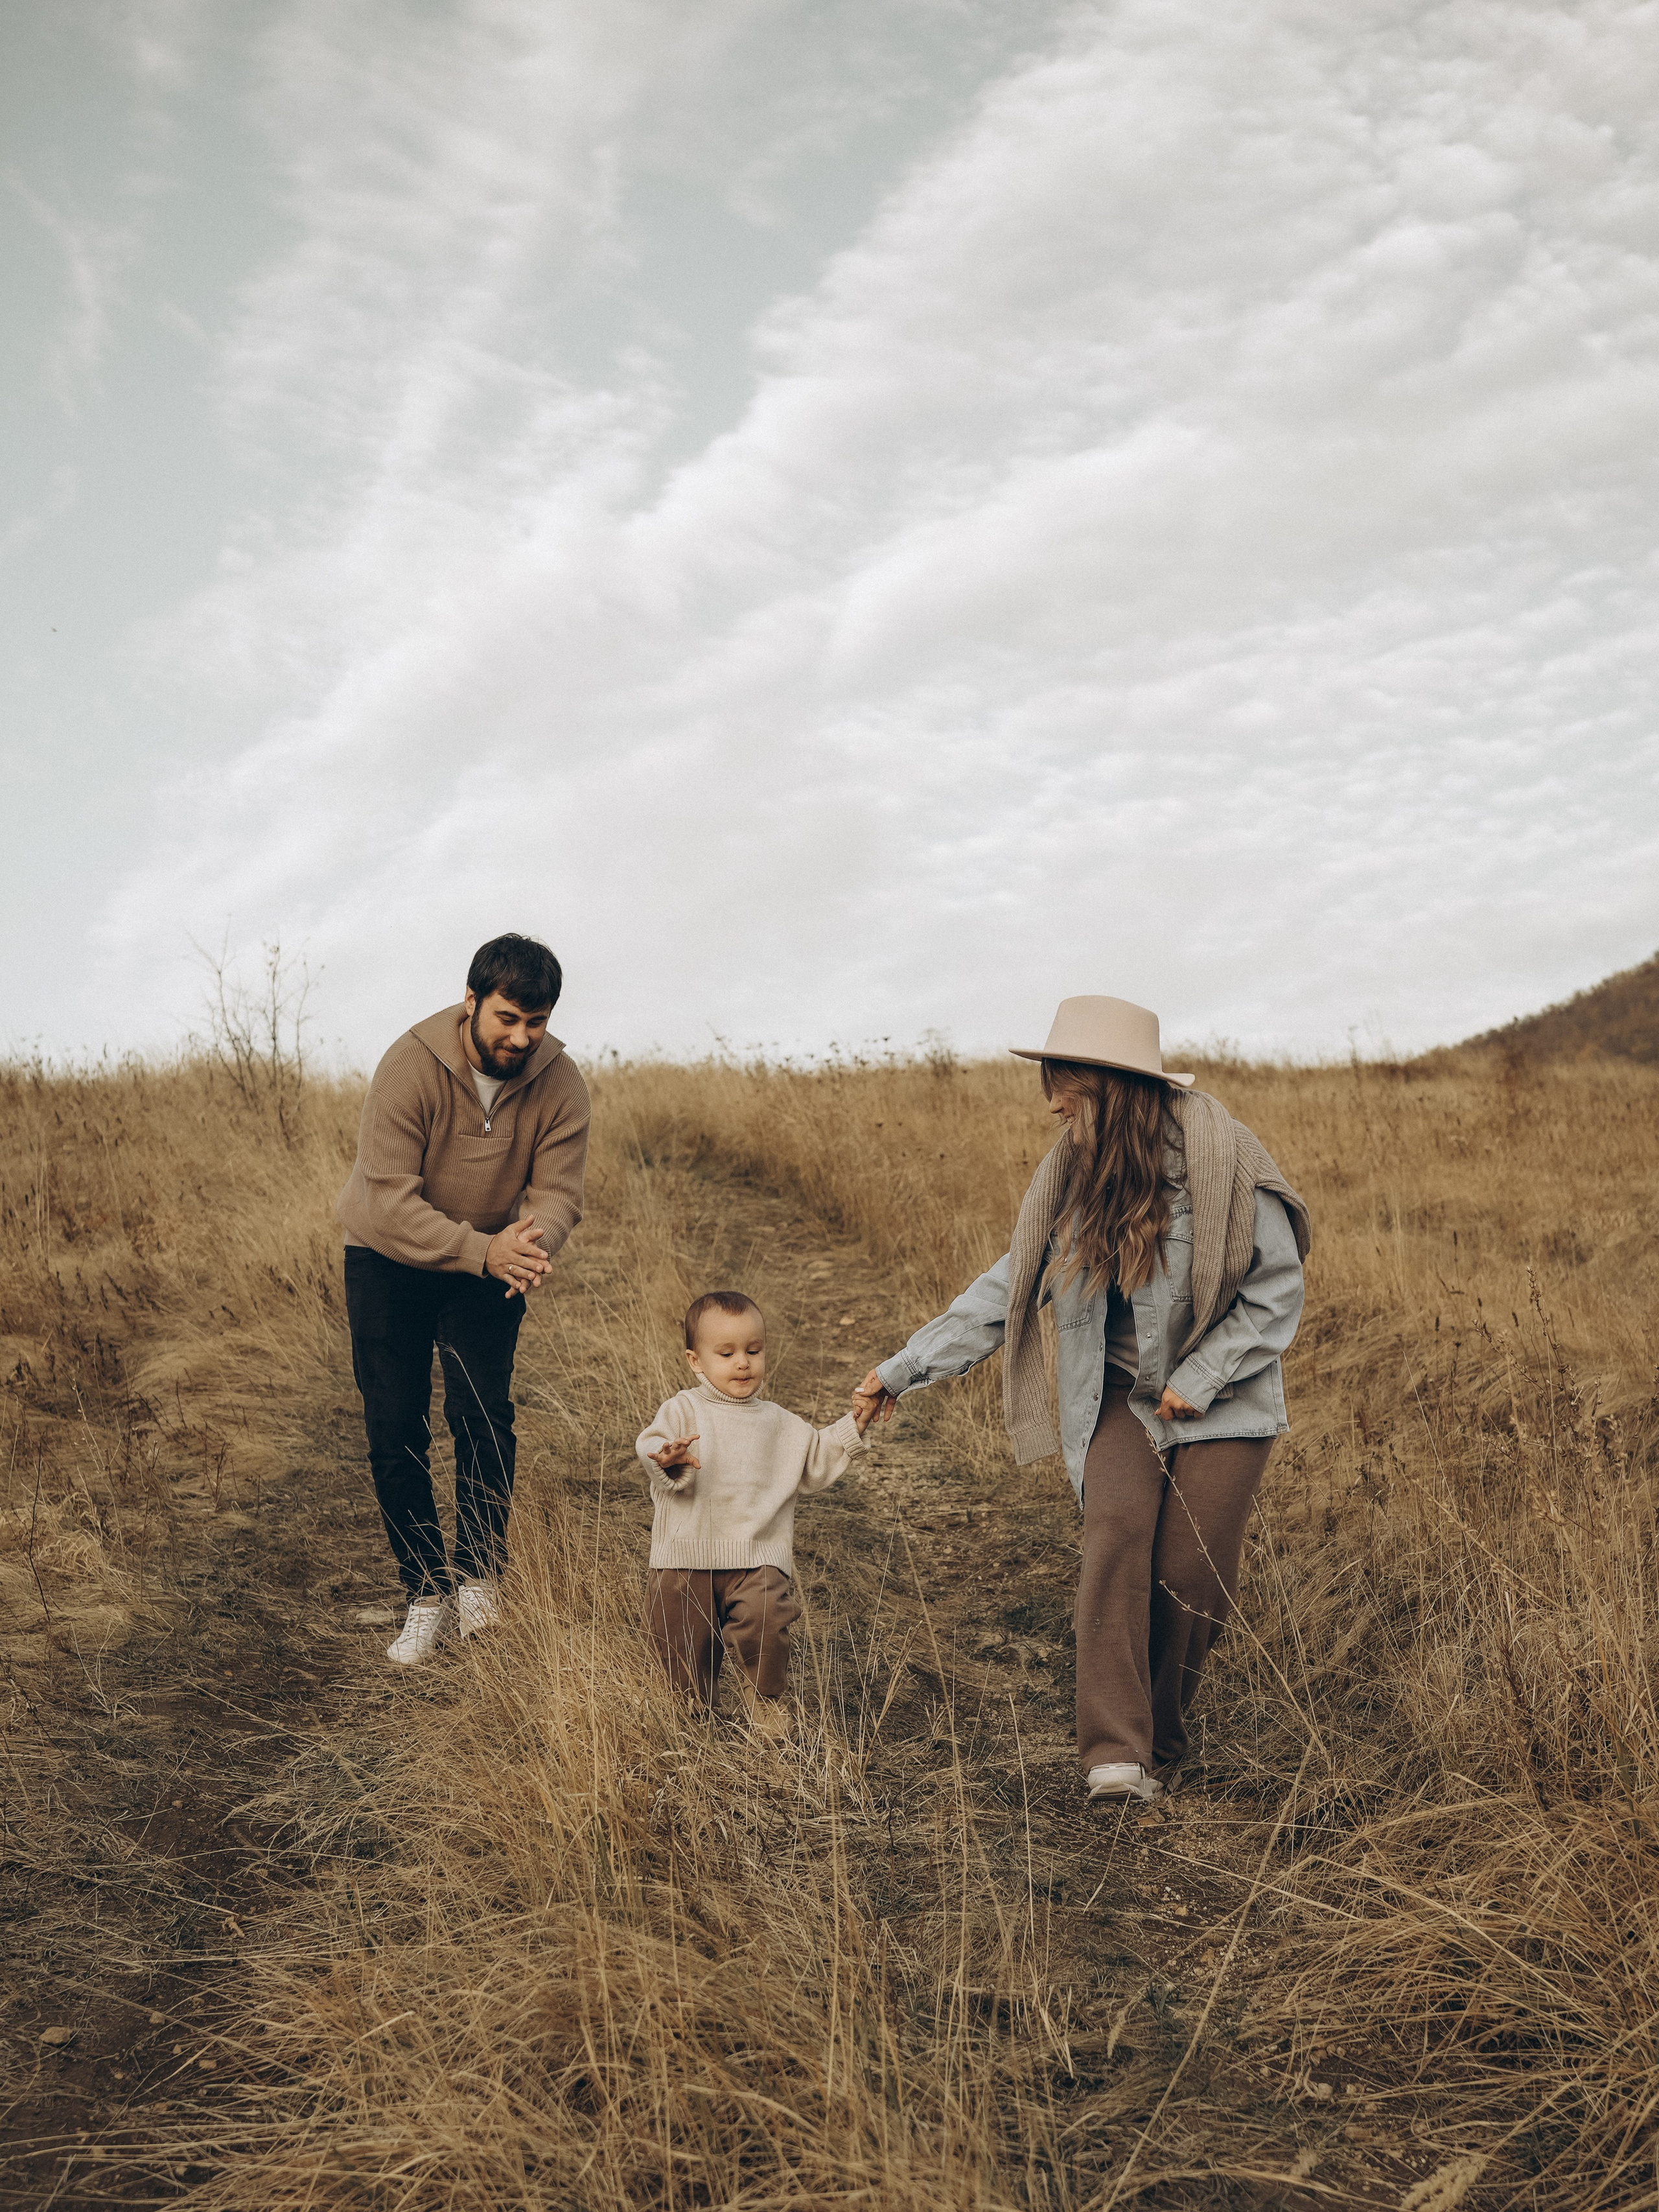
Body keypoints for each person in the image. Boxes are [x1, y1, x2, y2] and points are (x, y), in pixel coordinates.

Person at [855, 995, 1310, 1803]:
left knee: (1191, 1575)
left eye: (1065, 1084)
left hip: (1227, 1396)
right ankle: (1116, 1754)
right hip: (1118, 1395)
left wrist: (1201, 1376)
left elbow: (1277, 1287)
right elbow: (1011, 1284)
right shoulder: (1071, 1176)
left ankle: (1160, 1735)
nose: (1052, 1104)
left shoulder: (1227, 1158)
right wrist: (902, 1368)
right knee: (1115, 1539)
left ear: (1113, 1086)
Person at [337, 933, 590, 1665]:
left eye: (537, 1022)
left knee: (483, 1413)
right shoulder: (408, 1066)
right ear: (472, 1001)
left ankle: (480, 1576)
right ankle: (425, 1592)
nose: (522, 1037)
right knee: (395, 1425)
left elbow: (558, 1193)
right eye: (508, 1018)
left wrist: (527, 1245)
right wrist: (484, 1249)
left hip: (491, 1260)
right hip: (387, 1256)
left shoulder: (561, 1083)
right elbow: (388, 1201)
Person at [636, 1290, 875, 1736]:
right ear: (696, 1361)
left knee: (768, 1622)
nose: (743, 1363)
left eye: (754, 1350)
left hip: (758, 1556)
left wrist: (854, 1425)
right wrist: (666, 1458)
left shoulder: (779, 1421)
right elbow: (651, 1446)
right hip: (683, 1557)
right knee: (681, 1651)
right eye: (726, 1354)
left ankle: (764, 1701)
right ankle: (691, 1720)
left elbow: (815, 1456)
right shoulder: (683, 1409)